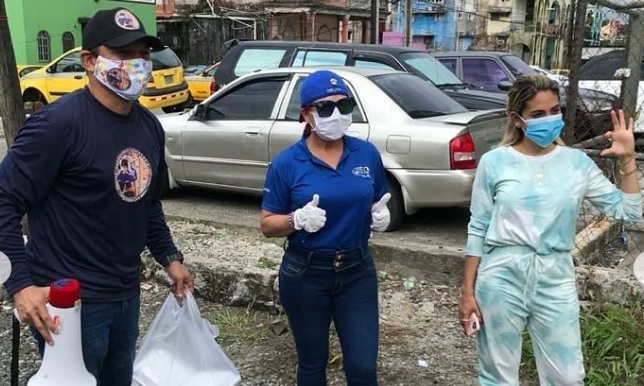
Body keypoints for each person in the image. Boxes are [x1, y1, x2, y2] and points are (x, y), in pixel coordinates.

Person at [0, 7, 193, 386]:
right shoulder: (57, 125)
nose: (138, 64)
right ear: (90, 61)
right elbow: (4, 199)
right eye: (124, 54)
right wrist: (20, 285)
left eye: (143, 54)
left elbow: (146, 201)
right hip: (71, 305)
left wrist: (169, 258)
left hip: (125, 293)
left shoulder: (148, 127)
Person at [459, 74, 642, 385]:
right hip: (501, 275)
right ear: (517, 119)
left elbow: (629, 210)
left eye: (555, 111)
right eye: (538, 114)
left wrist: (627, 160)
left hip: (555, 276)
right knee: (497, 376)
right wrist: (467, 291)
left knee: (568, 378)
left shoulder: (576, 164)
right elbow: (478, 227)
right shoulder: (495, 163)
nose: (549, 119)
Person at [260, 69, 390, 386]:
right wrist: (295, 220)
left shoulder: (366, 154)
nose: (337, 114)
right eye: (326, 107)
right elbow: (267, 224)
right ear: (307, 113)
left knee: (362, 368)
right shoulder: (287, 163)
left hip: (356, 271)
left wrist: (380, 215)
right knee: (312, 364)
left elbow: (378, 199)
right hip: (305, 273)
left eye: (344, 106)